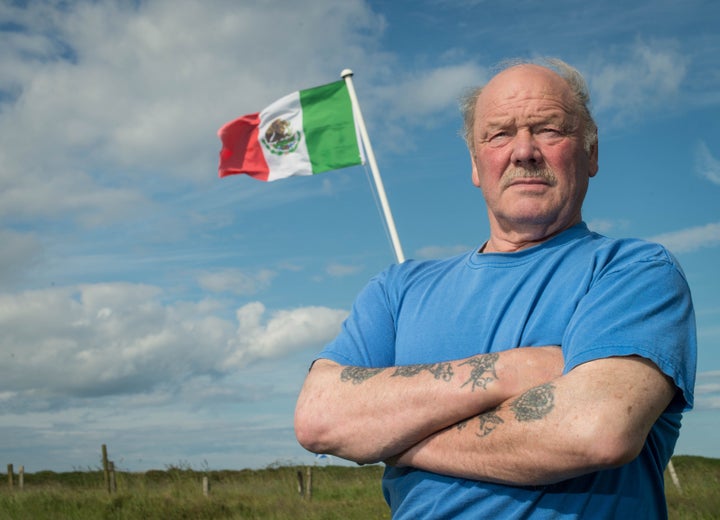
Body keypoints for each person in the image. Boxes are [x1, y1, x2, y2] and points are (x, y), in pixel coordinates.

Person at [294, 58, 697, 519]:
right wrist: (516, 369)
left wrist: (395, 438)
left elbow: (595, 429)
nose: (523, 151)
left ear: (590, 154)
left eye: (549, 129)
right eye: (499, 134)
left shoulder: (635, 272)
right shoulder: (398, 290)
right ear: (474, 163)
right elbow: (319, 416)